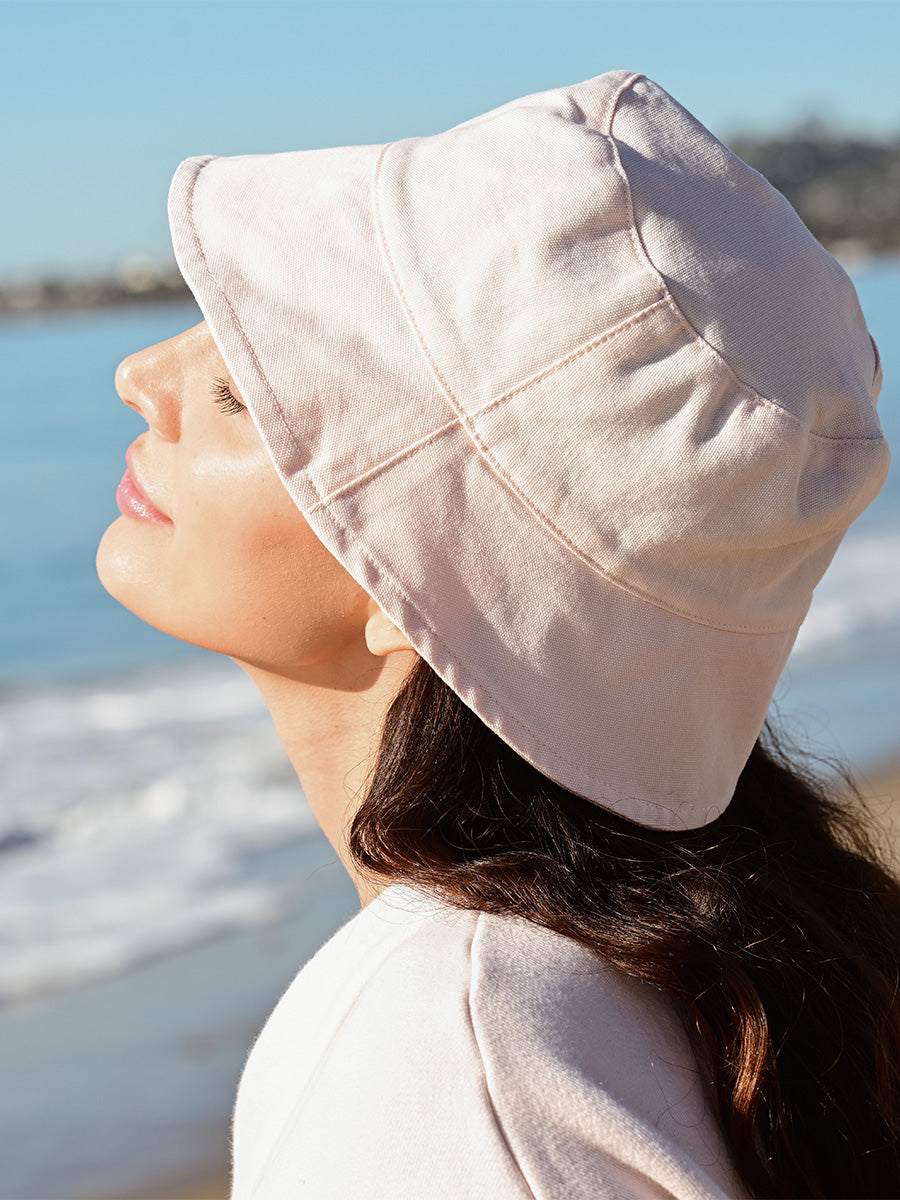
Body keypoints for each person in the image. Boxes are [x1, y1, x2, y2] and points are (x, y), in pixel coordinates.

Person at [97, 70, 900, 1199]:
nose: (137, 377)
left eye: (241, 391)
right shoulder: (697, 969)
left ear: (413, 582)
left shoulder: (445, 1053)